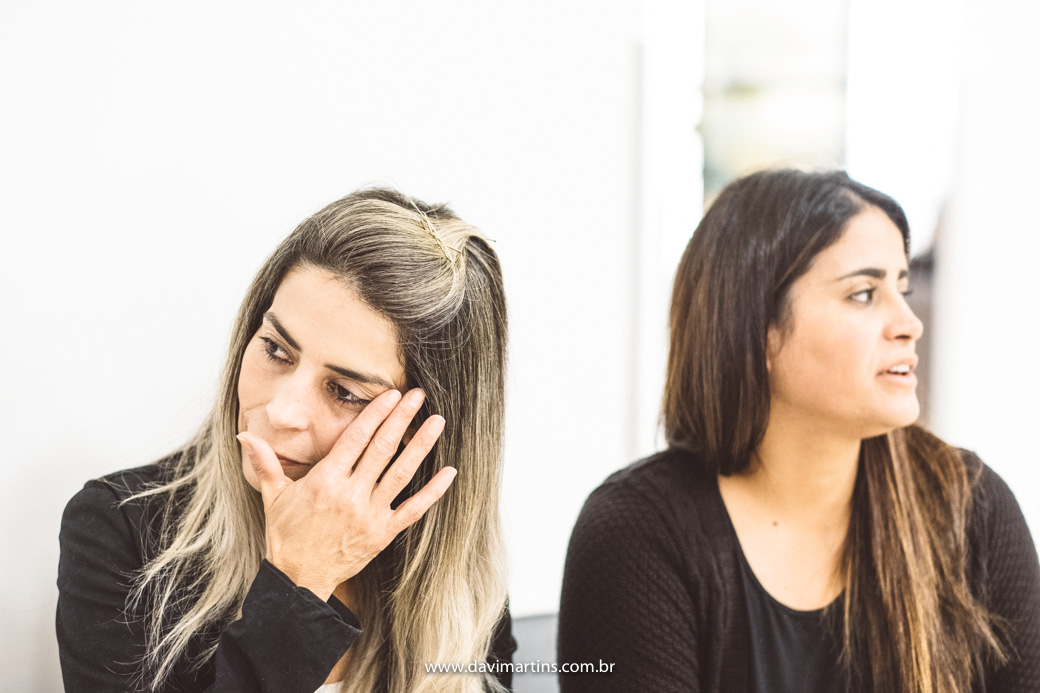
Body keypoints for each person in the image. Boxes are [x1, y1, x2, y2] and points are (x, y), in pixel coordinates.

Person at [557, 169, 1040, 692]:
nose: (908, 322)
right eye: (863, 293)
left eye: (901, 287)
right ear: (756, 327)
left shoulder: (970, 507)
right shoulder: (638, 535)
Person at [57, 188, 515, 693]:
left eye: (344, 391)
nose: (281, 411)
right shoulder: (120, 531)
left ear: (428, 426)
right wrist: (298, 583)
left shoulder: (457, 578)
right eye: (275, 349)